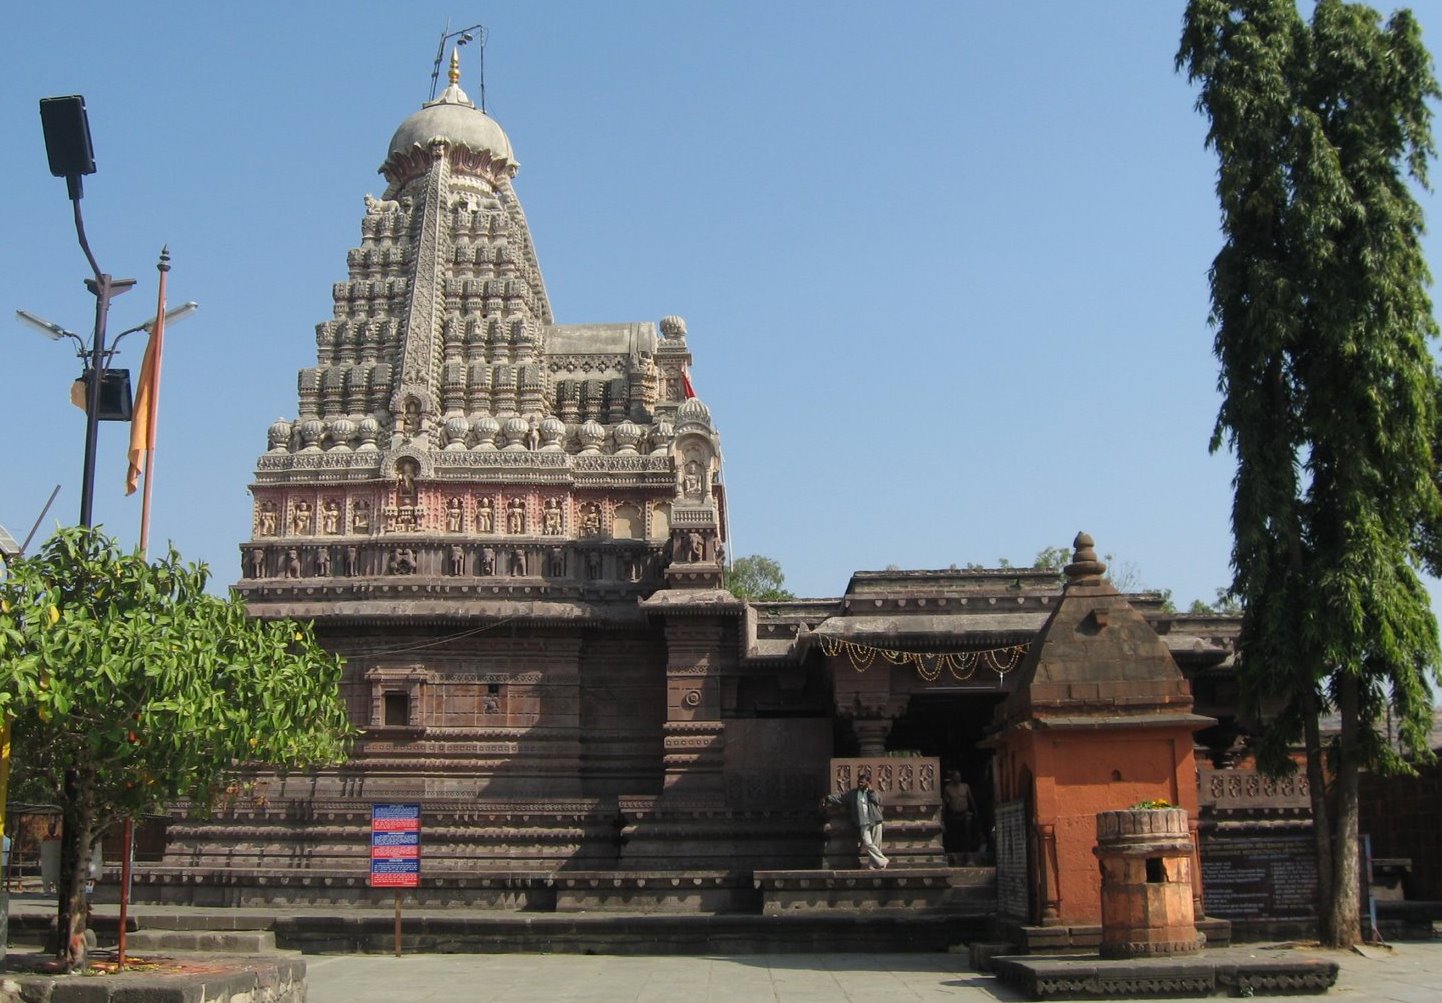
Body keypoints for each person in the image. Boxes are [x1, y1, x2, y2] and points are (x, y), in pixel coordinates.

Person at [822, 773, 889, 869]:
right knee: (868, 843)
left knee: (876, 844)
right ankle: (883, 861)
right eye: (859, 782)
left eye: (862, 782)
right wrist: (828, 798)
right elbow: (841, 798)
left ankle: (874, 864)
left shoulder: (872, 792)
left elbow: (877, 800)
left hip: (875, 820)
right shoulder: (853, 794)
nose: (860, 784)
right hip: (863, 822)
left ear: (868, 783)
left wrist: (870, 790)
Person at [942, 769, 977, 854]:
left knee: (967, 833)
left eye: (959, 776)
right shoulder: (948, 788)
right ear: (952, 778)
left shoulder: (965, 786)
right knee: (955, 835)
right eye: (956, 776)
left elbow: (971, 799)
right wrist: (942, 816)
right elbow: (944, 803)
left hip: (964, 813)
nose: (958, 778)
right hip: (954, 815)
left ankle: (967, 852)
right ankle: (955, 852)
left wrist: (975, 811)